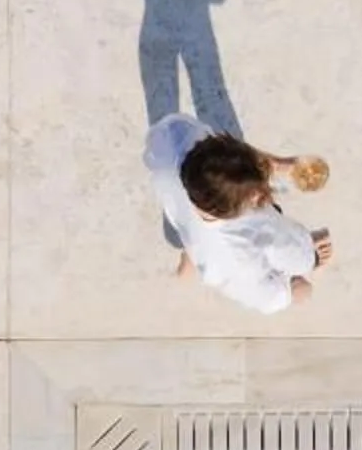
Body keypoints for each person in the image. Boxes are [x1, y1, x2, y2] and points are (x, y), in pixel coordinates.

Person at [143, 116, 334, 316]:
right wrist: (315, 260)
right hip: (236, 274)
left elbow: (227, 159)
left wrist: (280, 164)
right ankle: (189, 260)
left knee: (193, 242)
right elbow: (298, 260)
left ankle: (186, 265)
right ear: (249, 201)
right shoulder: (257, 232)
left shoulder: (180, 145)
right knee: (303, 289)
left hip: (192, 228)